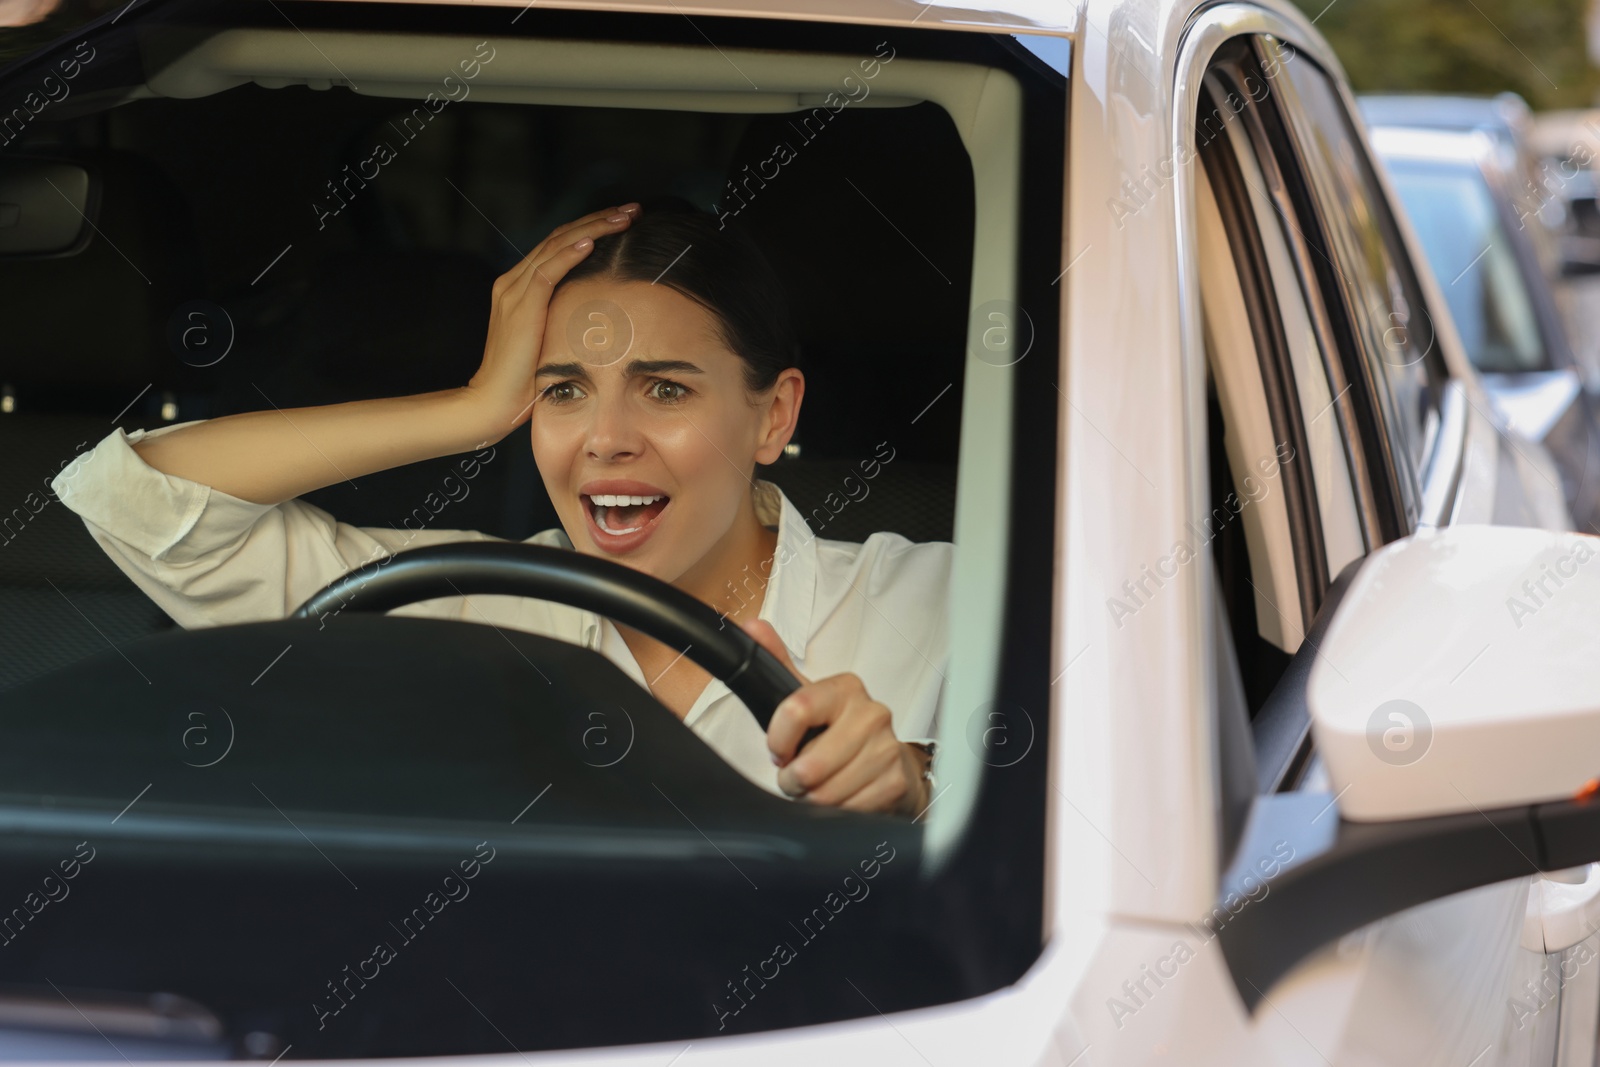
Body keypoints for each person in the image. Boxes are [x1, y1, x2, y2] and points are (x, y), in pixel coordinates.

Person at [50, 199, 950, 816]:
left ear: (775, 413)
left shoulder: (948, 601)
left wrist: (918, 783)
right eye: (563, 392)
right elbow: (143, 499)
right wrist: (473, 407)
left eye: (665, 391)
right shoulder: (454, 606)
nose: (605, 438)